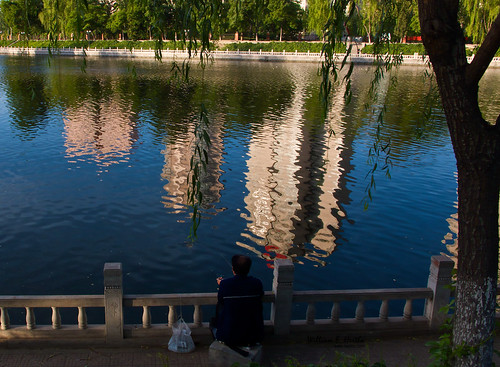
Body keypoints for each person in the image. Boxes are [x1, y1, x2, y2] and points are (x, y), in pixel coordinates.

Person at [213, 254, 264, 347]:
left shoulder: (225, 284)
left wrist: (222, 284)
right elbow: (260, 295)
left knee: (220, 307)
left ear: (233, 269)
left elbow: (221, 300)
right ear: (249, 268)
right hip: (253, 335)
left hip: (228, 335)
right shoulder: (257, 283)